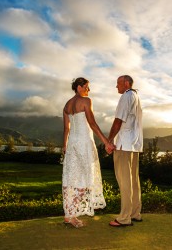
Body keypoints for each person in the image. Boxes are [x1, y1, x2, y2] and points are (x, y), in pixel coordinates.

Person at [62, 77, 115, 228]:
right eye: (86, 87)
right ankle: (72, 216)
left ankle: (69, 214)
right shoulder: (86, 101)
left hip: (72, 144)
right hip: (84, 143)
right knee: (85, 178)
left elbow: (66, 129)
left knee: (72, 178)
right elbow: (92, 123)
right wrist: (106, 142)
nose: (88, 90)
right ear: (79, 87)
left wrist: (64, 146)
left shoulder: (67, 105)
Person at [108, 75, 143, 227]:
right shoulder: (135, 96)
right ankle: (135, 213)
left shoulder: (126, 96)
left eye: (118, 83)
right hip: (134, 145)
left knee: (125, 181)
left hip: (124, 145)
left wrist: (109, 140)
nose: (117, 86)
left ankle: (124, 218)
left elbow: (118, 121)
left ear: (126, 83)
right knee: (134, 181)